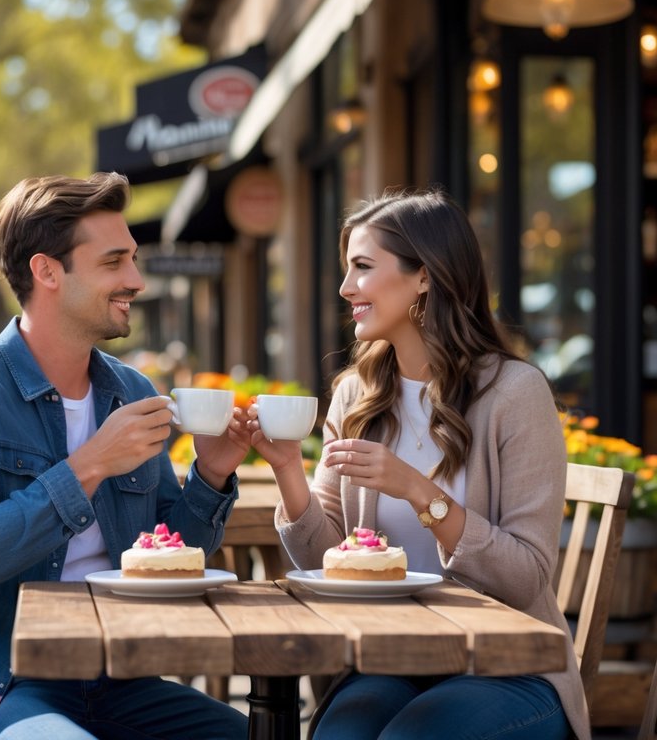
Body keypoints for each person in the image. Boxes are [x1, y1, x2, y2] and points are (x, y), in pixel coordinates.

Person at [0, 172, 250, 740]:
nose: (136, 280)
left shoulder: (130, 391)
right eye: (114, 263)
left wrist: (211, 471)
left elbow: (170, 556)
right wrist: (90, 464)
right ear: (47, 271)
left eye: (133, 259)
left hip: (115, 680)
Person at [251, 189, 590, 740]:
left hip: (508, 666)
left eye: (363, 267)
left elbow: (526, 576)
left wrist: (417, 490)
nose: (345, 289)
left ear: (425, 277)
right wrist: (289, 470)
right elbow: (327, 563)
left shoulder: (514, 393)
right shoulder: (356, 394)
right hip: (393, 659)